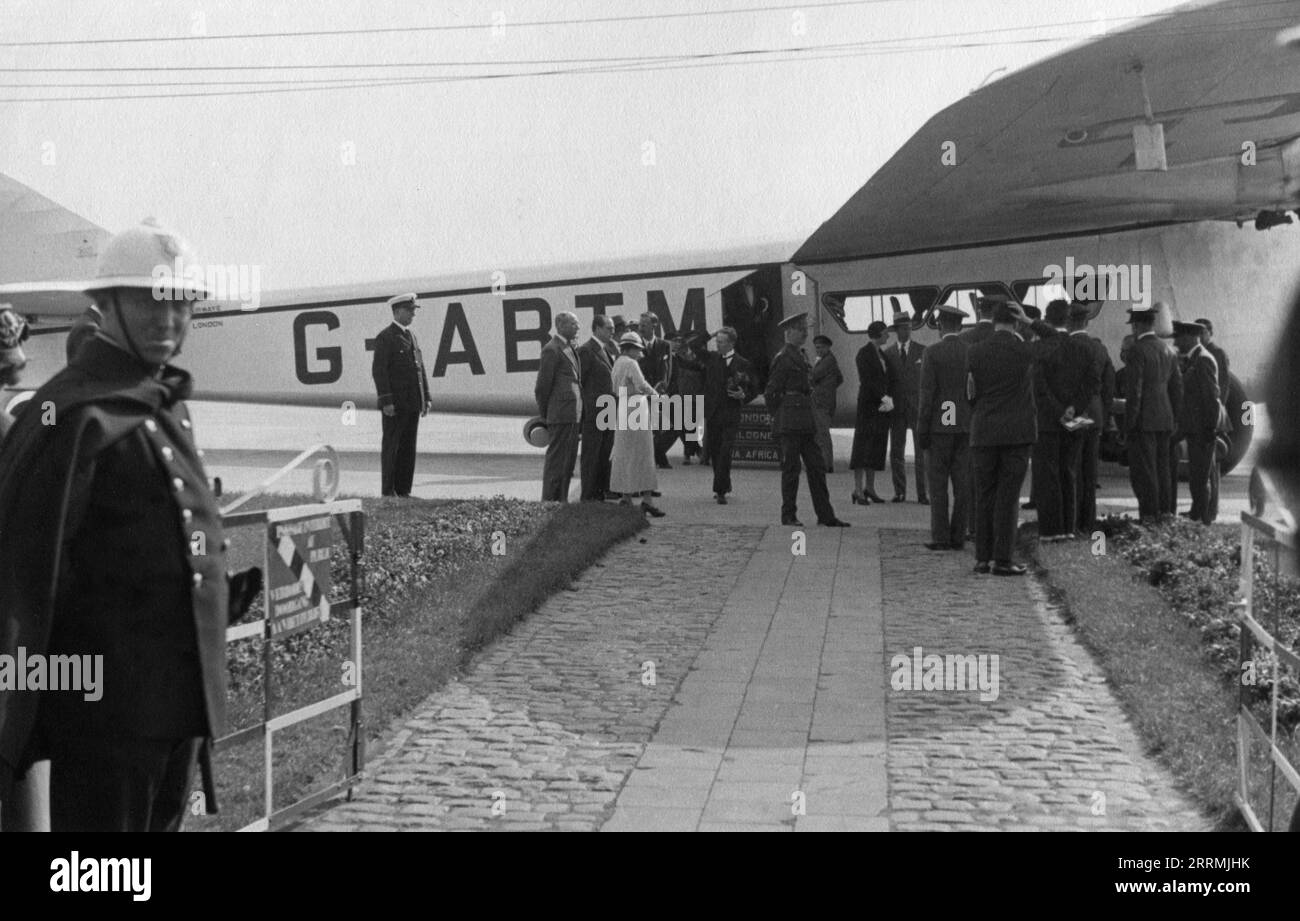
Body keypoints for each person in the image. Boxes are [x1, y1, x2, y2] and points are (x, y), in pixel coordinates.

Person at [0, 219, 260, 832]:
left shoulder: (161, 402)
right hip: (104, 718)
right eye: (150, 301)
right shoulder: (70, 414)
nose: (169, 320)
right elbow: (22, 577)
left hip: (175, 703)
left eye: (182, 304)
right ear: (105, 304)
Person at [967, 299, 1038, 575]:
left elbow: (969, 393)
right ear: (1017, 322)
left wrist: (982, 413)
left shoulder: (974, 351)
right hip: (1017, 433)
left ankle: (982, 558)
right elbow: (1057, 341)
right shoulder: (1025, 350)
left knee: (984, 495)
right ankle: (1003, 560)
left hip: (984, 430)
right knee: (1008, 498)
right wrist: (1033, 323)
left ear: (993, 321)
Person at [765, 313, 850, 528]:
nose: (804, 332)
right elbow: (771, 393)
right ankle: (788, 515)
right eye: (800, 329)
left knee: (817, 467)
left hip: (805, 421)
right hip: (791, 422)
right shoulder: (783, 357)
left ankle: (825, 515)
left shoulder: (801, 355)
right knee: (791, 471)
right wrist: (782, 415)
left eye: (805, 328)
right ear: (789, 332)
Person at [1031, 300, 1100, 540]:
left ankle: (1051, 530)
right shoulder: (1086, 348)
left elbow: (1039, 387)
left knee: (1047, 475)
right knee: (1069, 473)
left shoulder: (1041, 349)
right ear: (1068, 319)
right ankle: (1069, 528)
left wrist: (1058, 410)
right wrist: (1072, 408)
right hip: (1076, 420)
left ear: (1048, 319)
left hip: (1048, 422)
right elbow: (1092, 383)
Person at [680, 326, 755, 504]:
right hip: (713, 413)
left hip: (731, 413)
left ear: (731, 344)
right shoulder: (712, 358)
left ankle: (720, 490)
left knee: (726, 451)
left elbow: (753, 387)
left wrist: (743, 395)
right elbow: (695, 346)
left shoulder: (743, 363)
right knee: (714, 451)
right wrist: (711, 334)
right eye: (717, 342)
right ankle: (724, 483)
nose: (718, 345)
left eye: (721, 342)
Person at [916, 304, 970, 550]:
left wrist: (922, 429)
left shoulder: (932, 353)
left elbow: (927, 394)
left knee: (938, 487)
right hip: (964, 427)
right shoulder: (971, 351)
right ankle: (959, 535)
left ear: (940, 325)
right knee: (963, 486)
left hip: (939, 427)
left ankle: (940, 536)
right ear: (960, 326)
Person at [1124, 304, 1183, 523]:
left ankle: (1148, 514)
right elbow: (1177, 388)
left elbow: (1135, 392)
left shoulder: (1137, 351)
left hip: (1144, 419)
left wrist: (1129, 423)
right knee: (1163, 469)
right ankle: (1165, 512)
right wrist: (1175, 418)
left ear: (1137, 326)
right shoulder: (1169, 350)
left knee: (1145, 471)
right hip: (1165, 417)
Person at [372, 293, 432, 497]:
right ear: (397, 312)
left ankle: (404, 490)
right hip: (396, 405)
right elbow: (379, 371)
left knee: (408, 448)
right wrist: (386, 401)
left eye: (414, 311)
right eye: (410, 311)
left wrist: (426, 397)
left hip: (412, 403)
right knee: (392, 448)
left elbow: (419, 368)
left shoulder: (411, 336)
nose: (413, 314)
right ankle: (388, 492)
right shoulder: (385, 337)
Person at [1068, 301, 1115, 532]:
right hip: (1094, 415)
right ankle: (1089, 521)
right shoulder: (1100, 349)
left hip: (1073, 415)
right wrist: (1103, 414)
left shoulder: (1065, 345)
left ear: (1068, 322)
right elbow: (1109, 386)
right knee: (1090, 470)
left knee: (1072, 469)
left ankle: (1074, 519)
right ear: (1087, 322)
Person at [608, 331, 664, 516]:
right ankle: (647, 500)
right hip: (636, 407)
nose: (640, 353)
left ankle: (626, 496)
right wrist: (658, 397)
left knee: (624, 453)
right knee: (644, 453)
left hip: (623, 406)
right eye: (638, 349)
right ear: (630, 349)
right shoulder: (631, 363)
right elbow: (642, 384)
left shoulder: (617, 363)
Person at [1171, 321, 1221, 524]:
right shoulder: (1195, 359)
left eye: (1178, 338)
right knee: (1197, 477)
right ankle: (1198, 515)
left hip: (1203, 429)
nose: (1176, 342)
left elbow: (1212, 398)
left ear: (1191, 338)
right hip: (1194, 428)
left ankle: (1202, 519)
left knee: (1200, 479)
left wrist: (1210, 428)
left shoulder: (1203, 360)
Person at [535, 311, 583, 502]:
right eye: (573, 323)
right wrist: (547, 414)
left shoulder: (569, 347)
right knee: (557, 462)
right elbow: (542, 386)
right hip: (561, 414)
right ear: (561, 326)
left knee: (567, 463)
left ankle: (560, 500)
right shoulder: (552, 349)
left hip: (572, 414)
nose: (578, 327)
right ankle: (549, 501)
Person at [849, 320, 895, 504]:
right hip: (868, 406)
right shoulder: (864, 353)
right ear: (877, 334)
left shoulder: (881, 354)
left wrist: (887, 398)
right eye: (885, 333)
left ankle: (870, 488)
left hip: (880, 407)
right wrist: (883, 397)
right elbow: (867, 379)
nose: (888, 336)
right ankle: (858, 489)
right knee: (862, 446)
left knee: (876, 446)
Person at [885, 314, 927, 503]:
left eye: (909, 327)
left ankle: (922, 493)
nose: (907, 331)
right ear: (896, 331)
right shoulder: (888, 353)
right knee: (896, 451)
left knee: (922, 452)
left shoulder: (922, 351)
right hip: (897, 409)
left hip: (917, 407)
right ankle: (900, 491)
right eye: (903, 328)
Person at [578, 315, 617, 501]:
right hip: (595, 412)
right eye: (609, 328)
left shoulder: (606, 350)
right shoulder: (586, 351)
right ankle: (588, 494)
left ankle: (599, 492)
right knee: (591, 455)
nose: (613, 331)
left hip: (607, 412)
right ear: (597, 329)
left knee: (604, 454)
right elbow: (580, 383)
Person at [810, 334, 843, 473]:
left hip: (821, 402)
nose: (818, 350)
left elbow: (813, 376)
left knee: (822, 434)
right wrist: (829, 387)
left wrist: (822, 390)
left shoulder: (826, 361)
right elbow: (840, 378)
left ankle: (826, 464)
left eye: (821, 347)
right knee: (821, 433)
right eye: (817, 348)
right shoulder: (830, 360)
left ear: (827, 347)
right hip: (826, 401)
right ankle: (825, 463)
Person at [1195, 317, 1230, 399]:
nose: (1199, 337)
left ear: (1210, 333)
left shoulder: (1218, 353)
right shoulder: (1196, 353)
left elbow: (1223, 382)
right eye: (1197, 334)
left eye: (1202, 333)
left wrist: (1219, 405)